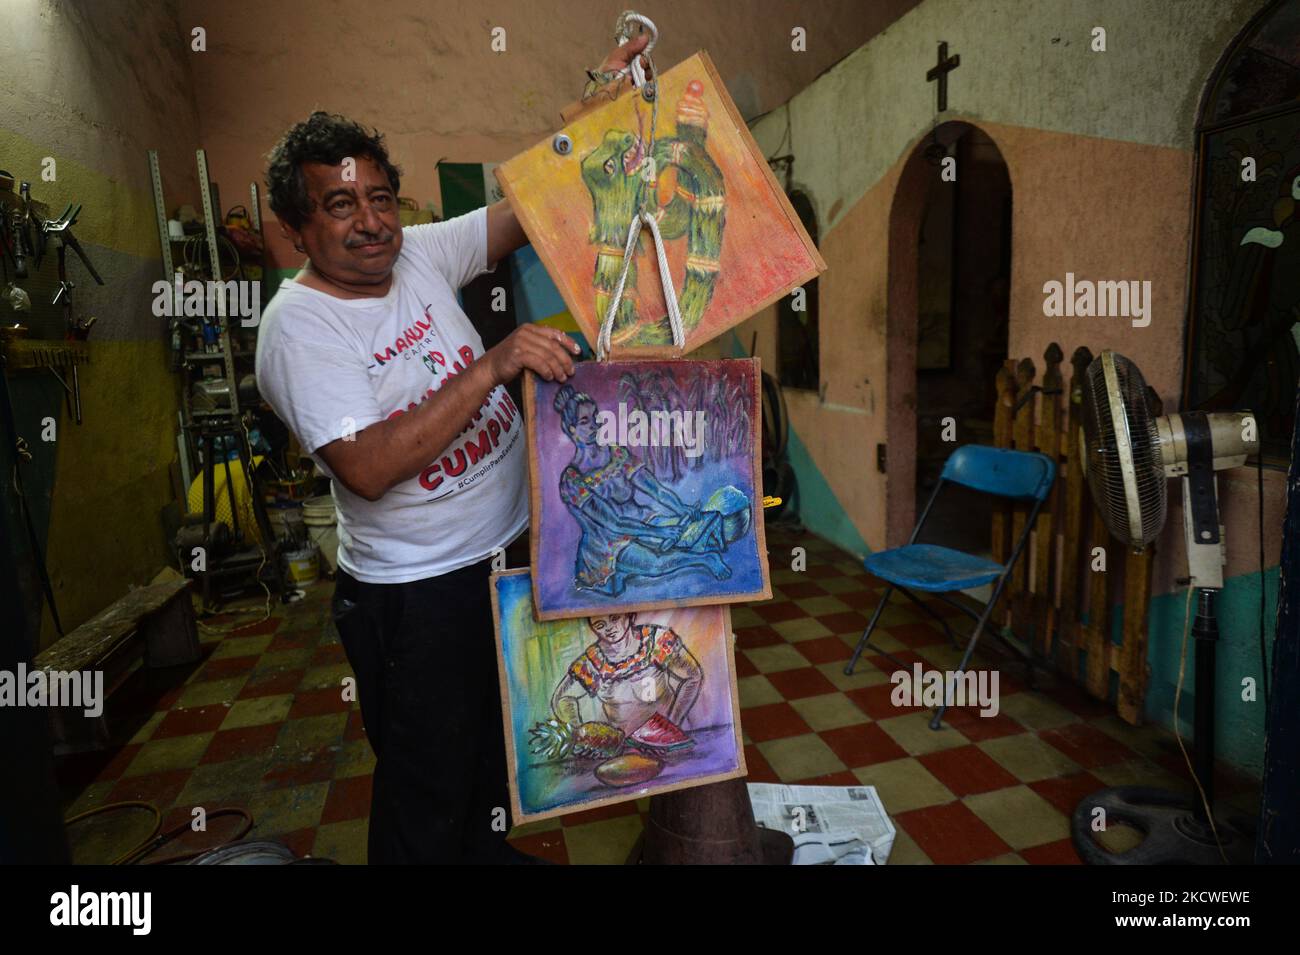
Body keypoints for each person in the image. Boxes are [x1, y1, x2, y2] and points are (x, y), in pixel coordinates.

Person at [254, 35, 651, 864]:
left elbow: (529, 209)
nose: (370, 222)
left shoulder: (419, 255)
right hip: (418, 596)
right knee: (425, 786)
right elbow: (367, 466)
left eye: (382, 198)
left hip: (502, 557)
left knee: (494, 750)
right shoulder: (300, 327)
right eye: (339, 204)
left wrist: (594, 114)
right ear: (295, 229)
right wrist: (495, 362)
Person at [552, 384, 730, 596]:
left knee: (700, 524)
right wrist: (660, 532)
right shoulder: (573, 479)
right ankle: (705, 559)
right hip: (608, 543)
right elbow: (614, 523)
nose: (593, 425)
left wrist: (681, 509)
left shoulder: (616, 454)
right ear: (571, 429)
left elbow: (657, 491)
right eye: (584, 421)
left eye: (595, 417)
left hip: (644, 519)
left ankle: (693, 545)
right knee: (656, 564)